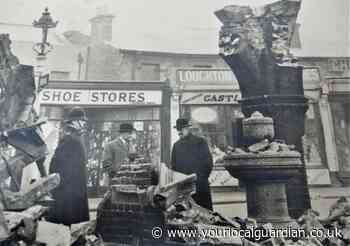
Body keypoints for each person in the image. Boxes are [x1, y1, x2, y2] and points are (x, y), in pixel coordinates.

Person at [48, 107, 89, 226]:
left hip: (74, 188)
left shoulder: (74, 137)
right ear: (73, 122)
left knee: (71, 222)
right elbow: (57, 164)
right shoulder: (71, 139)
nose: (83, 123)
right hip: (69, 190)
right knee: (68, 221)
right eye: (81, 121)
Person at [170, 118, 213, 210]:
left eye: (182, 129)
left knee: (204, 214)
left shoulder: (200, 142)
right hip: (185, 187)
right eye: (178, 129)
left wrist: (201, 178)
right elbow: (174, 167)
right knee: (187, 216)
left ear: (188, 129)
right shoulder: (176, 146)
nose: (179, 132)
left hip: (200, 185)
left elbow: (208, 163)